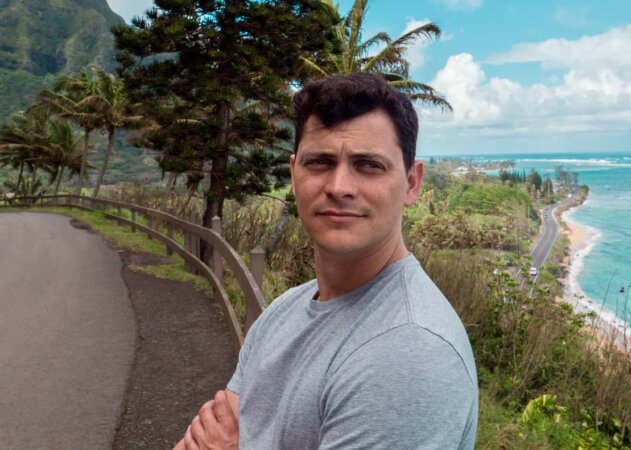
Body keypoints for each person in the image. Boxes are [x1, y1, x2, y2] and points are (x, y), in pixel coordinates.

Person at [176, 72, 478, 449]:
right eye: (319, 162)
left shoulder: (409, 351)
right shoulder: (283, 312)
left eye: (369, 165)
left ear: (412, 183)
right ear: (293, 173)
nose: (339, 187)